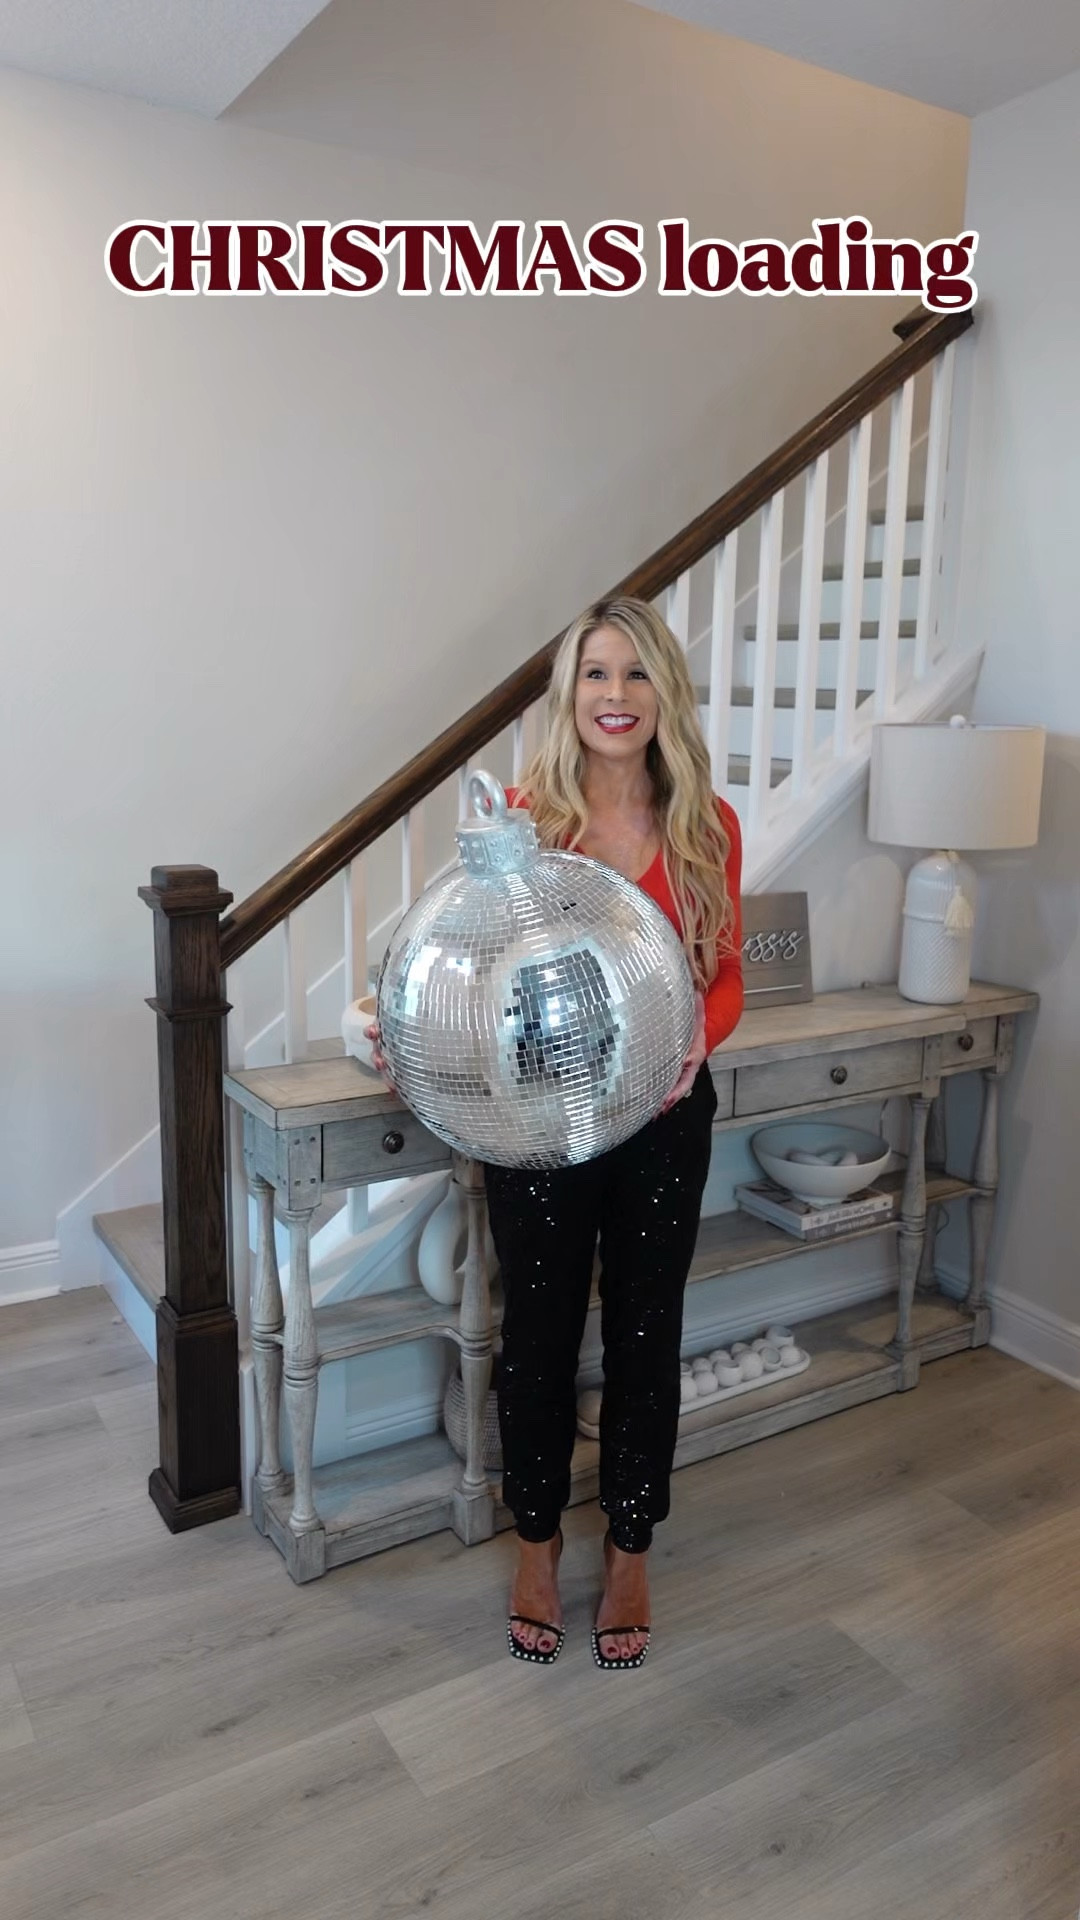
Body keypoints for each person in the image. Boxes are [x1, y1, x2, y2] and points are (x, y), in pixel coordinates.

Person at [371, 594, 743, 1670]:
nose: (614, 697)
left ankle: (630, 1549)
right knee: (536, 1337)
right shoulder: (525, 823)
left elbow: (722, 979)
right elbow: (465, 960)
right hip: (537, 1121)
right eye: (594, 675)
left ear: (662, 691)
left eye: (635, 676)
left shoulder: (706, 821)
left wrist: (695, 1048)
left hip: (666, 1120)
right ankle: (536, 1544)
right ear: (568, 694)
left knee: (644, 1334)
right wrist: (412, 1031)